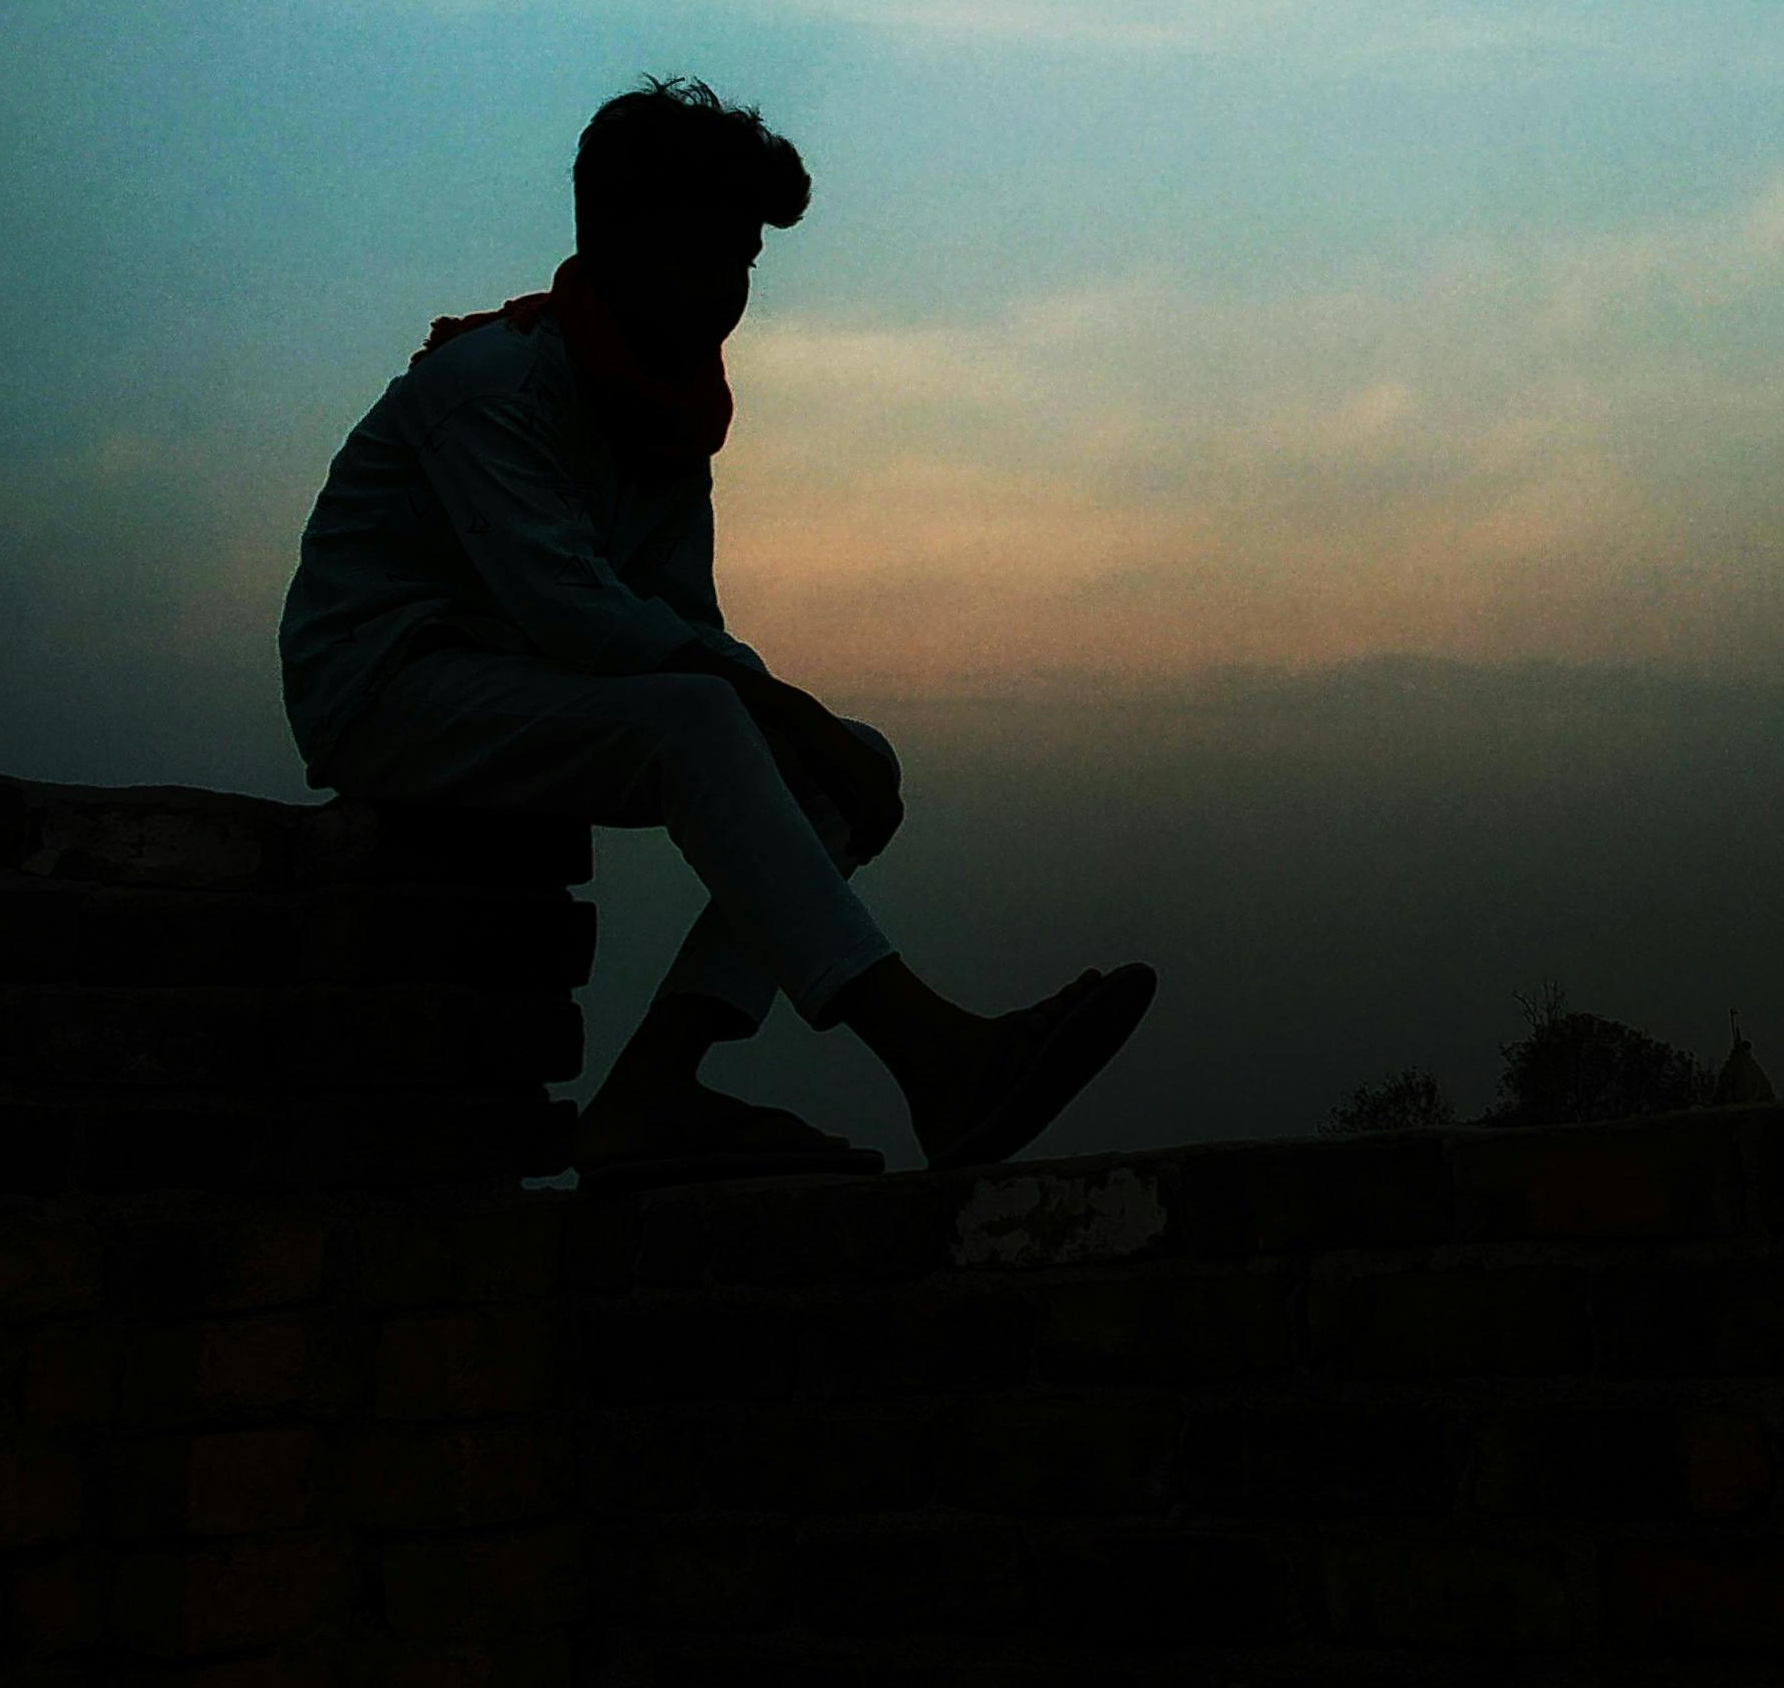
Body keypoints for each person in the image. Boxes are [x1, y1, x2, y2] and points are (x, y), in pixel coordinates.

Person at [278, 74, 1154, 1183]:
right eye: (708, 256)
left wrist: (807, 731)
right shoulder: (491, 385)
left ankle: (653, 1088)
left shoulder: (663, 419)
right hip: (386, 688)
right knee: (706, 718)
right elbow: (579, 613)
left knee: (837, 770)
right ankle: (933, 1054)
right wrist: (777, 706)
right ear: (621, 241)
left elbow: (680, 622)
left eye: (745, 263)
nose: (730, 293)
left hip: (521, 684)